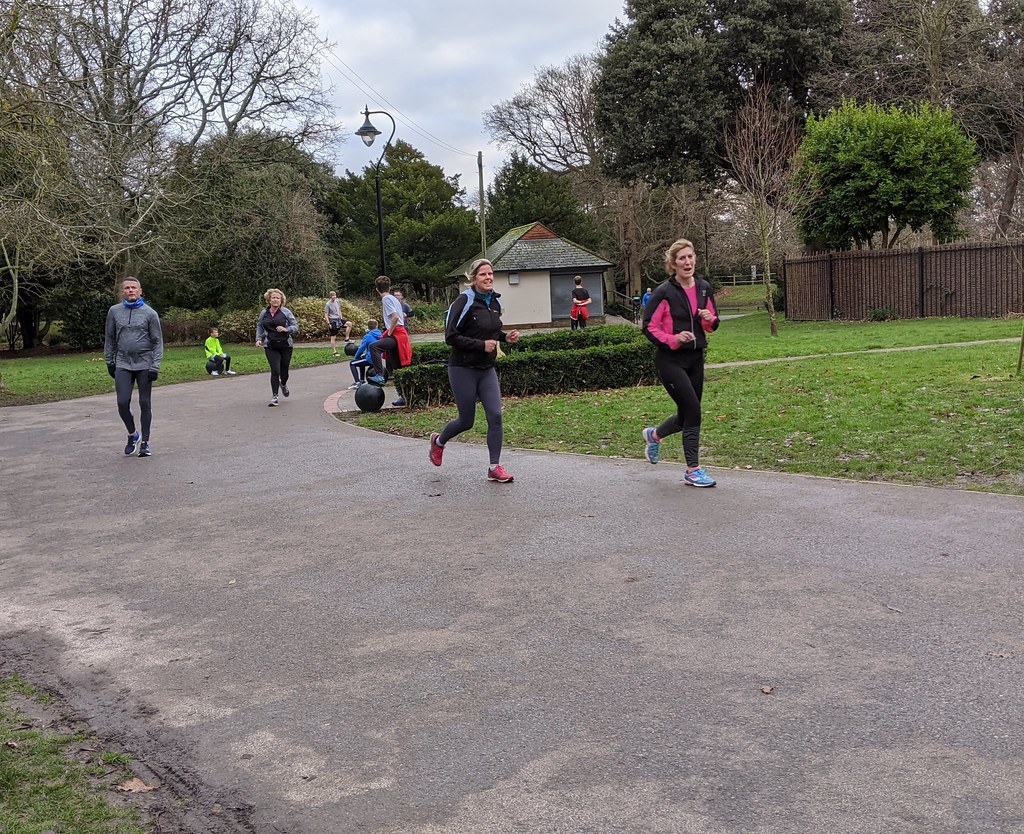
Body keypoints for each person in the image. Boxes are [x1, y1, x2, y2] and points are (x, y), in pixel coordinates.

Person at [428, 258, 521, 483]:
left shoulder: (494, 302)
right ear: (473, 278)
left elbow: (491, 331)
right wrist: (481, 345)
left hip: (486, 368)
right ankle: (438, 442)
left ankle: (494, 467)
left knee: (495, 416)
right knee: (466, 421)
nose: (488, 278)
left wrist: (505, 338)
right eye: (483, 274)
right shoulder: (464, 301)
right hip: (462, 368)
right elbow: (451, 336)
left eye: (490, 274)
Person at [641, 238, 720, 487]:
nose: (687, 262)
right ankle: (693, 470)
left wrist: (708, 318)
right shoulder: (664, 292)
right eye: (682, 258)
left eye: (690, 256)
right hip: (670, 360)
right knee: (693, 411)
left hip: (696, 358)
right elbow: (649, 327)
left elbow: (713, 324)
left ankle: (654, 435)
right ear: (673, 264)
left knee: (687, 413)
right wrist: (673, 339)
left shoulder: (704, 288)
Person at [104, 276, 163, 457]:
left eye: (134, 288)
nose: (130, 290)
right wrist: (109, 361)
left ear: (140, 291)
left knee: (145, 403)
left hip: (145, 363)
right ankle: (133, 434)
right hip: (123, 363)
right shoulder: (114, 311)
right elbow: (110, 338)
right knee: (122, 403)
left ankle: (145, 442)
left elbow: (157, 342)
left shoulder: (150, 314)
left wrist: (155, 366)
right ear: (122, 292)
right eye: (127, 288)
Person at [255, 288, 298, 407]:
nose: (275, 300)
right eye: (273, 297)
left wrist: (286, 329)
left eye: (278, 298)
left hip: (285, 345)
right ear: (269, 300)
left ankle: (283, 384)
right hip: (270, 345)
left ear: (281, 300)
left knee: (284, 372)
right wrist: (258, 339)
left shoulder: (286, 312)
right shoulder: (264, 313)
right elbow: (259, 326)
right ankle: (275, 396)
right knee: (275, 370)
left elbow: (295, 326)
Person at [368, 276, 412, 385]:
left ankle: (379, 375)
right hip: (401, 334)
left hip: (396, 334)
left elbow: (395, 317)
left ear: (377, 290)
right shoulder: (394, 299)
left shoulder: (386, 299)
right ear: (389, 288)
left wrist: (389, 333)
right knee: (397, 366)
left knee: (374, 347)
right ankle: (403, 391)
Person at [348, 320, 382, 388]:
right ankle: (362, 380)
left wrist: (355, 358)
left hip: (370, 359)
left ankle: (357, 382)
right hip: (378, 359)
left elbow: (361, 349)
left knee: (352, 363)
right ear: (377, 326)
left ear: (368, 327)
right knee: (362, 357)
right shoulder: (381, 335)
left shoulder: (368, 336)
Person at [323, 291, 352, 357]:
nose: (334, 297)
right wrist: (328, 323)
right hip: (332, 321)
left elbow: (339, 309)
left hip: (338, 319)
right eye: (333, 296)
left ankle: (347, 338)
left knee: (349, 324)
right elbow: (326, 315)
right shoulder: (328, 304)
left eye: (335, 295)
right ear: (330, 297)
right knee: (333, 336)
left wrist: (341, 317)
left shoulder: (337, 301)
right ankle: (334, 352)